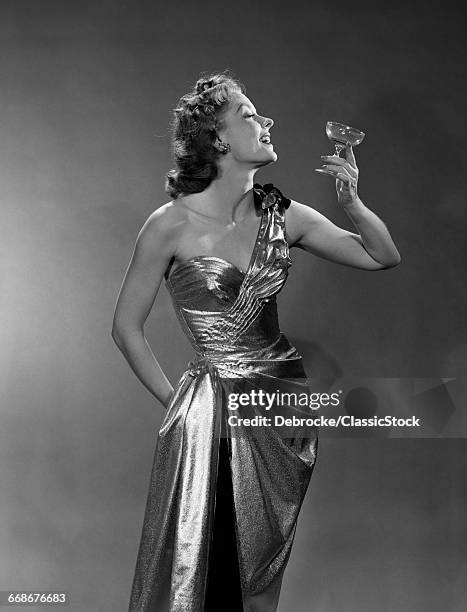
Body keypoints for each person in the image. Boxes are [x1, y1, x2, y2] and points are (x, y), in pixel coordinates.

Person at [111, 71, 401, 612]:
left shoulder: (283, 216)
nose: (265, 122)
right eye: (249, 113)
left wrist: (352, 201)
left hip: (279, 407)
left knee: (261, 568)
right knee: (205, 559)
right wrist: (180, 406)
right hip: (211, 411)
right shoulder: (169, 224)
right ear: (218, 139)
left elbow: (382, 256)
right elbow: (125, 328)